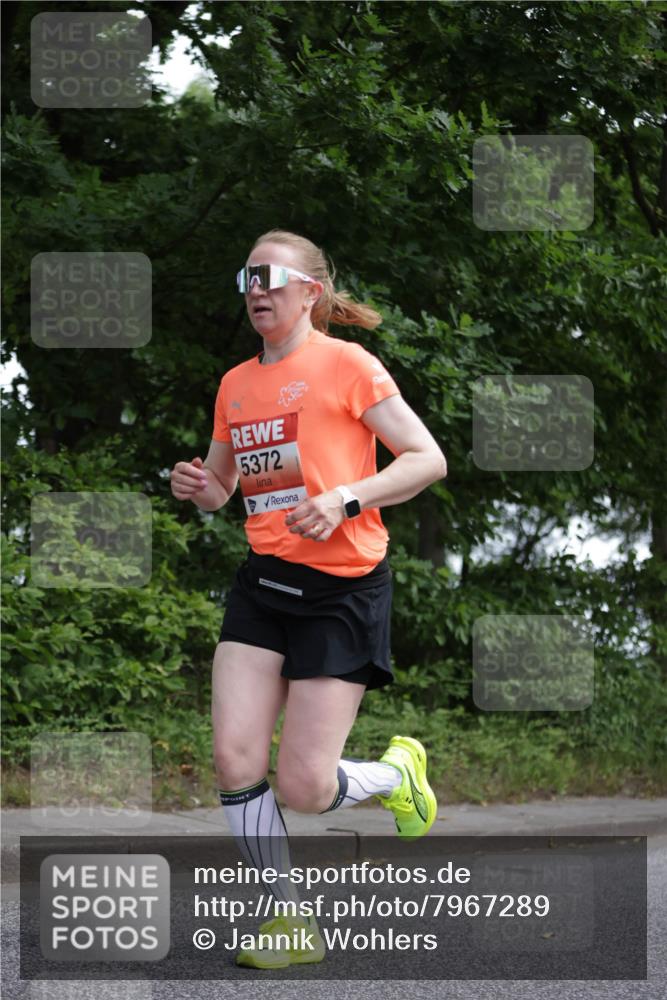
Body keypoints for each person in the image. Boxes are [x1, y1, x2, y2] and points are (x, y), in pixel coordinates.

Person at [170, 229, 447, 969]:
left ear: (308, 292)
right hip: (264, 585)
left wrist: (346, 498)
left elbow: (427, 458)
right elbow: (228, 490)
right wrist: (202, 489)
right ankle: (287, 923)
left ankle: (395, 775)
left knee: (301, 785)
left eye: (269, 275)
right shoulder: (236, 384)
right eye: (246, 275)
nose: (255, 288)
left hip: (342, 590)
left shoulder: (347, 365)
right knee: (234, 758)